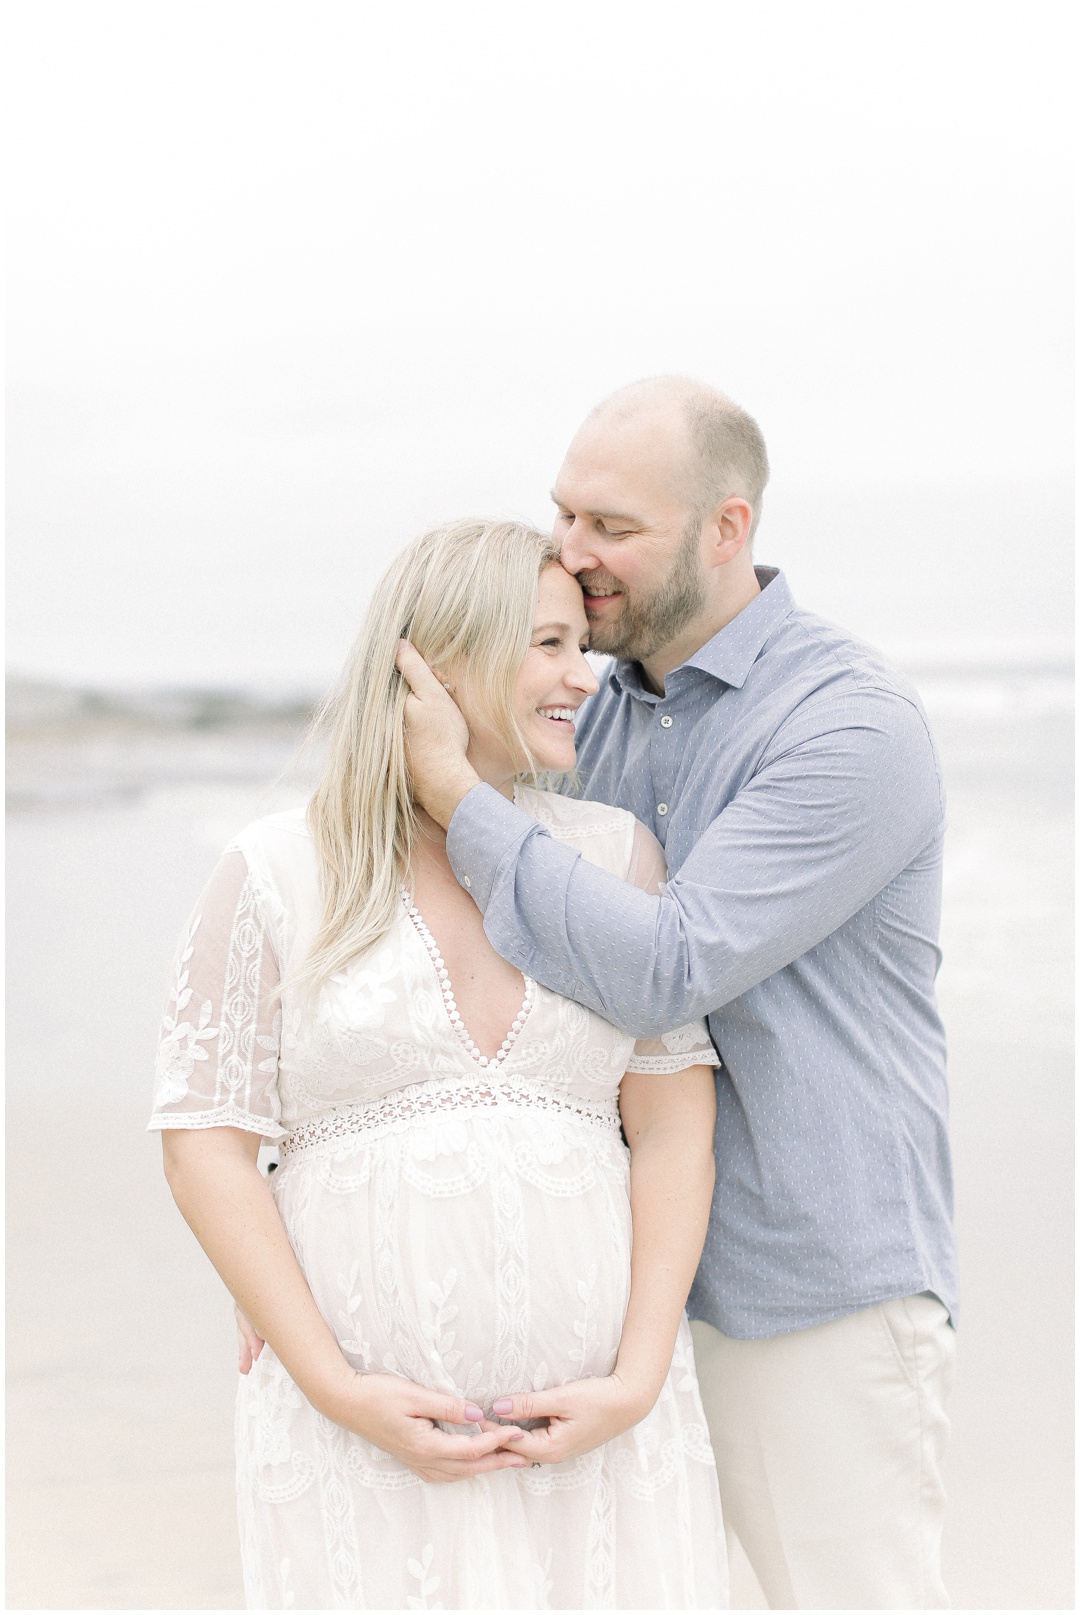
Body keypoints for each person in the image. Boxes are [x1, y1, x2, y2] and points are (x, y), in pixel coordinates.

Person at [396, 377, 959, 1611]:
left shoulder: (847, 725)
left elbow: (665, 966)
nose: (571, 553)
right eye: (564, 515)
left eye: (612, 525)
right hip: (615, 1294)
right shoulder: (593, 716)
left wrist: (459, 798)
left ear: (727, 529)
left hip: (805, 1293)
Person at [149, 518, 728, 1611]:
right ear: (436, 658)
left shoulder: (612, 857)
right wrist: (335, 1384)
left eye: (584, 646)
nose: (581, 675)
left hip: (600, 1435)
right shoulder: (276, 870)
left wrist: (638, 1377)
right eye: (548, 644)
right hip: (358, 1435)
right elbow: (206, 1147)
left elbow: (673, 1127)